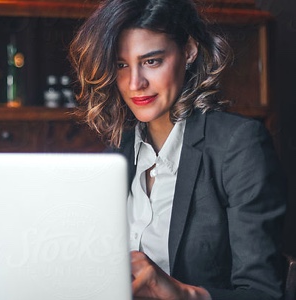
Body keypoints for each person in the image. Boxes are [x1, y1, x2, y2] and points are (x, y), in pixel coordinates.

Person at [69, 0, 287, 299]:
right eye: (122, 65)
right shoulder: (117, 155)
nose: (135, 83)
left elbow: (264, 293)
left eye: (152, 61)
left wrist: (184, 293)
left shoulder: (239, 145)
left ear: (189, 51)